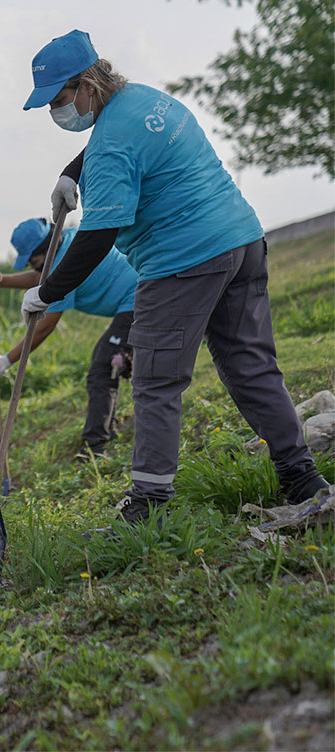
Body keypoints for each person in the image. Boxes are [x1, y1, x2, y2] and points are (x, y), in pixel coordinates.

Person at [19, 29, 330, 524]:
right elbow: (117, 137)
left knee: (156, 380)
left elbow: (98, 235)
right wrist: (71, 172)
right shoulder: (142, 98)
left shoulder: (109, 151)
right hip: (241, 241)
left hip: (183, 263)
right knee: (252, 365)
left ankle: (149, 503)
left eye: (59, 99)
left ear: (87, 85)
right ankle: (302, 478)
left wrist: (48, 290)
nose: (58, 113)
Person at [0, 216, 137, 460]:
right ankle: (108, 425)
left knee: (103, 367)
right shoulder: (68, 240)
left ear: (45, 248)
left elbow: (45, 326)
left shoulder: (63, 260)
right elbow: (42, 275)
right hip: (132, 298)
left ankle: (95, 448)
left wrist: (7, 360)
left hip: (137, 298)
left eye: (34, 262)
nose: (34, 267)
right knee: (112, 363)